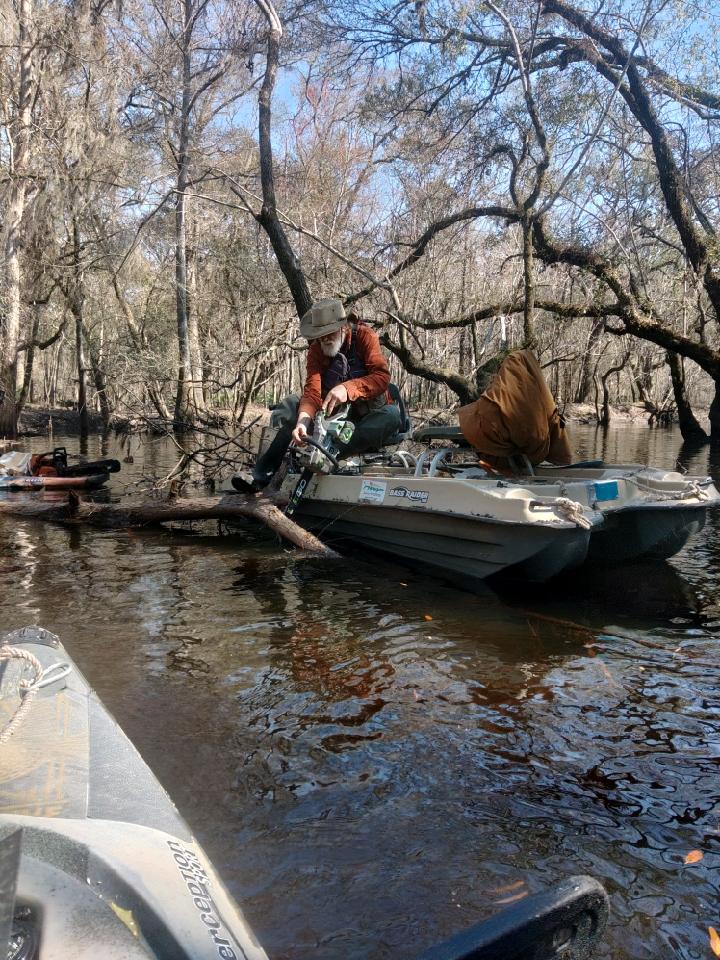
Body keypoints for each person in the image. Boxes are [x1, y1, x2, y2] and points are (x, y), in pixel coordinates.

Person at [232, 298, 402, 492]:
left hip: (366, 418)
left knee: (392, 416)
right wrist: (302, 423)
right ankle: (260, 476)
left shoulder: (365, 337)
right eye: (320, 336)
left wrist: (347, 389)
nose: (324, 340)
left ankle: (327, 456)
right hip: (332, 418)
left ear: (344, 327)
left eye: (328, 334)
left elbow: (381, 378)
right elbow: (312, 393)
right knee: (291, 405)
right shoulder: (316, 351)